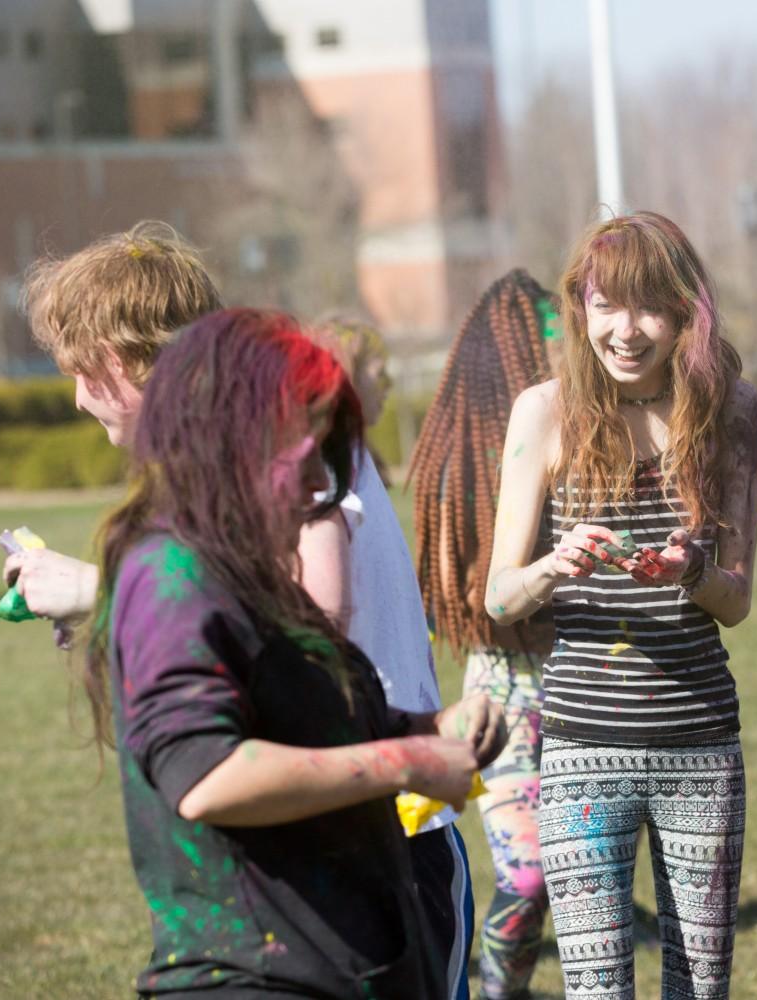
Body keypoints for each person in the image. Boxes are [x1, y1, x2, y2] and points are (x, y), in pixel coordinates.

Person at [83, 308, 505, 998]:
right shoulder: (172, 573)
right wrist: (406, 761)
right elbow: (207, 776)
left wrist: (432, 729)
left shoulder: (251, 573)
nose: (321, 478)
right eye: (300, 445)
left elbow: (308, 723)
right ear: (224, 437)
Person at [485, 213, 757, 1000]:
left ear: (685, 313)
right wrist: (553, 564)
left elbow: (736, 601)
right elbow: (498, 595)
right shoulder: (543, 412)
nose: (625, 330)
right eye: (605, 305)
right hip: (580, 754)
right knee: (596, 991)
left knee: (697, 990)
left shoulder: (732, 413)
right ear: (580, 307)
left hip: (700, 752)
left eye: (648, 307)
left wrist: (691, 570)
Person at [297, 317, 475, 1000]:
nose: (388, 385)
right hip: (397, 788)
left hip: (400, 778)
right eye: (373, 372)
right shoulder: (323, 484)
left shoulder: (354, 465)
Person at [410, 269, 558, 1000]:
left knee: (573, 872)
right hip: (503, 691)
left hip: (592, 680)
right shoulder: (464, 461)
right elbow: (448, 595)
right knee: (525, 877)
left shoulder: (579, 433)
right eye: (550, 336)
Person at [3, 221, 222, 625]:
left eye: (77, 372)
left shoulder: (251, 467)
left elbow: (264, 615)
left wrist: (94, 590)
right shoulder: (213, 454)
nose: (79, 401)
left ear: (113, 358)